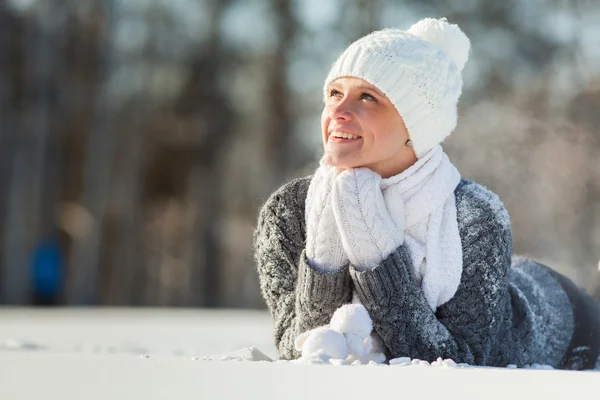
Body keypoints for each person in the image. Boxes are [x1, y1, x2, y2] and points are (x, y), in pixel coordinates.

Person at [253, 17, 600, 370]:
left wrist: (377, 255)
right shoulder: (288, 212)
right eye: (334, 94)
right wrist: (328, 256)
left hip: (557, 316)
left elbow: (457, 362)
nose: (338, 112)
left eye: (368, 97)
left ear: (415, 125)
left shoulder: (476, 215)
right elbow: (299, 348)